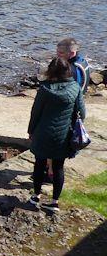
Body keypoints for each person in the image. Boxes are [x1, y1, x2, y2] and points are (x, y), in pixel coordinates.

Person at [28, 57, 85, 212]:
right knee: (59, 167)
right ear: (68, 71)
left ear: (50, 71)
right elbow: (82, 113)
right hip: (63, 134)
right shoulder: (75, 88)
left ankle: (36, 196)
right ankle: (54, 202)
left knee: (39, 164)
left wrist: (31, 131)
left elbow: (36, 113)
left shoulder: (45, 89)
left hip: (43, 133)